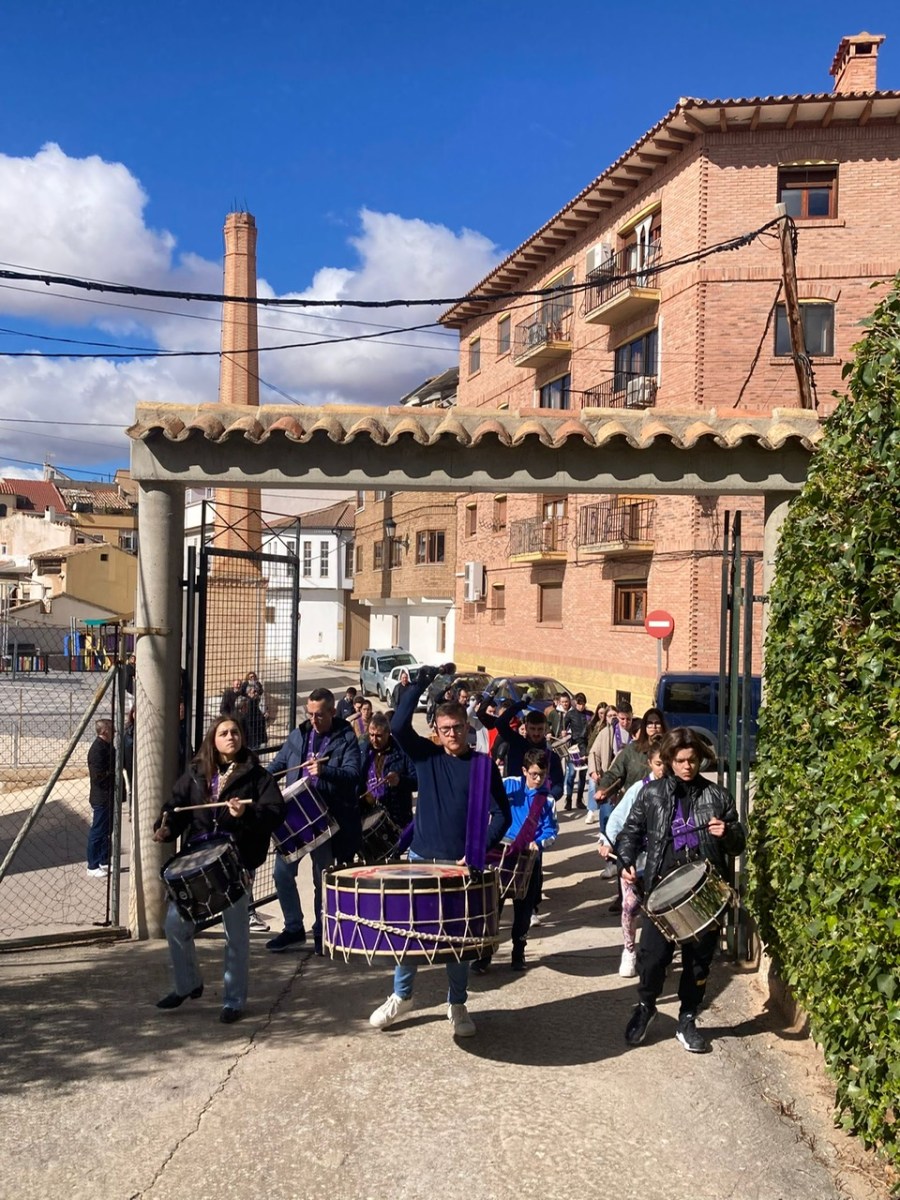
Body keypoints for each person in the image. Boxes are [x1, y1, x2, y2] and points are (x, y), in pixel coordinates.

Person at [369, 666, 511, 1038]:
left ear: (468, 728)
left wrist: (478, 851)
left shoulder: (482, 767)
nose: (451, 734)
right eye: (445, 729)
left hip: (460, 867)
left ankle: (457, 1002)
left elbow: (502, 816)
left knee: (458, 941)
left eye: (458, 728)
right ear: (436, 730)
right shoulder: (426, 757)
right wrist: (418, 684)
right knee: (408, 934)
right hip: (419, 860)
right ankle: (401, 996)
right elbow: (398, 726)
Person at [617, 727, 746, 1054]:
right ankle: (646, 1007)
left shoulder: (717, 796)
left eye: (693, 760)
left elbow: (738, 844)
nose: (688, 766)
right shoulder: (652, 794)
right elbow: (630, 832)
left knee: (698, 962)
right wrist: (626, 859)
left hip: (704, 891)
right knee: (651, 958)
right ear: (670, 760)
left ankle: (687, 1018)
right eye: (681, 760)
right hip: (661, 889)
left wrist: (726, 831)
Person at [153, 717, 285, 1023]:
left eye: (235, 732)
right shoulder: (196, 773)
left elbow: (276, 812)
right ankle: (188, 984)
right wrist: (165, 826)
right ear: (213, 739)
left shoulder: (256, 775)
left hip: (234, 861)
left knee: (236, 935)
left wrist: (246, 812)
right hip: (197, 861)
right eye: (224, 733)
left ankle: (234, 1000)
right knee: (175, 925)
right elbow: (174, 807)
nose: (231, 737)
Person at [266, 688, 362, 955]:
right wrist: (257, 782)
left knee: (322, 877)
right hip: (295, 818)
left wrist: (325, 770)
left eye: (319, 715)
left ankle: (322, 930)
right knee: (281, 874)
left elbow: (353, 774)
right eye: (310, 714)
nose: (314, 720)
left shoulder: (345, 738)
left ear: (332, 711)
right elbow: (277, 765)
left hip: (325, 818)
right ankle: (294, 928)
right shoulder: (299, 734)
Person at [473, 748, 558, 973]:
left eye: (542, 774)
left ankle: (518, 953)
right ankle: (485, 955)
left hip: (529, 859)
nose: (538, 779)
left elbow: (551, 831)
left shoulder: (547, 799)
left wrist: (538, 843)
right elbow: (488, 799)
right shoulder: (509, 784)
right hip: (501, 854)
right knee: (493, 907)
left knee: (523, 909)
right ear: (524, 771)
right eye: (533, 774)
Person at [598, 739, 665, 978]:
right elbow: (616, 818)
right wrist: (606, 841)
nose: (662, 768)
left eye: (666, 763)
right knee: (630, 905)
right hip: (634, 857)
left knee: (660, 908)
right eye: (658, 763)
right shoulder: (639, 789)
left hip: (663, 858)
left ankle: (657, 956)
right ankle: (629, 950)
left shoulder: (675, 789)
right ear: (650, 763)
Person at [359, 712, 416, 828]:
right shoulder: (363, 752)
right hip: (370, 816)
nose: (374, 739)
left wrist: (400, 780)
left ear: (388, 733)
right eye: (371, 735)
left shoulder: (402, 752)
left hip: (397, 816)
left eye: (378, 735)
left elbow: (417, 782)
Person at [86, 718, 115, 877]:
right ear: (105, 731)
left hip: (108, 795)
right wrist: (113, 775)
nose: (114, 733)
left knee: (106, 830)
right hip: (101, 796)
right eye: (112, 730)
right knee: (98, 831)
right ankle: (92, 865)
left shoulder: (107, 747)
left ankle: (104, 860)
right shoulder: (97, 750)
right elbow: (98, 776)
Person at [562, 692, 592, 811]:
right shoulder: (570, 714)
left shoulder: (589, 715)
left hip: (585, 747)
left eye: (583, 704)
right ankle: (568, 800)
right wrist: (563, 732)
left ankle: (579, 800)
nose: (581, 706)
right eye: (579, 704)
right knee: (571, 774)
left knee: (583, 775)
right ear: (575, 703)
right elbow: (563, 728)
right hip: (574, 747)